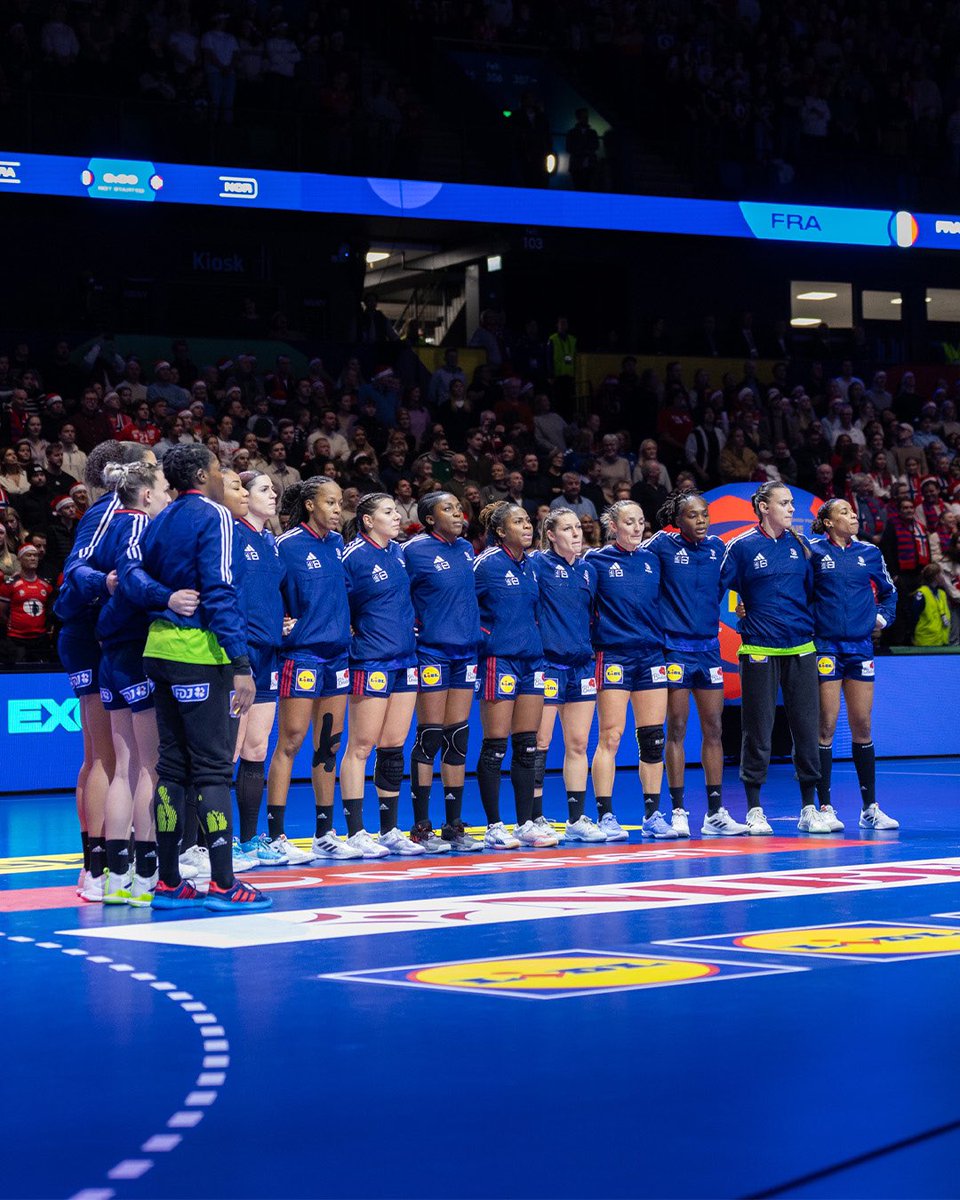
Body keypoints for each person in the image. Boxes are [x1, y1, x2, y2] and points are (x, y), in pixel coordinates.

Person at [134, 444, 271, 910]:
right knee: (213, 770)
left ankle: (168, 882)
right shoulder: (215, 516)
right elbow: (220, 590)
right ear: (200, 474)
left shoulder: (160, 518)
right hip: (201, 654)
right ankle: (224, 884)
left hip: (158, 651)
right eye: (217, 469)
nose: (222, 475)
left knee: (171, 769)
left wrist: (162, 597)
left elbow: (135, 575)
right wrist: (240, 663)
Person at [53, 441, 157, 901]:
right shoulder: (110, 510)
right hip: (94, 634)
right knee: (107, 758)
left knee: (107, 756)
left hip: (96, 633)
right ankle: (97, 868)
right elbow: (75, 571)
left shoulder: (122, 512)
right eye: (153, 467)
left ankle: (103, 864)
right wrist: (107, 583)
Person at [719, 482, 827, 834]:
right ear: (764, 507)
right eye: (784, 503)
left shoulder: (801, 546)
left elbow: (812, 592)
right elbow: (719, 587)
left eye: (792, 502)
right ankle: (754, 809)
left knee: (806, 730)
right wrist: (742, 608)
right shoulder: (741, 547)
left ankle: (810, 808)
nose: (791, 508)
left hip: (801, 648)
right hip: (759, 649)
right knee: (758, 730)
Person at [92, 462, 172, 905]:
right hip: (137, 651)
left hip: (109, 655)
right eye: (162, 489)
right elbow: (137, 588)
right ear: (144, 496)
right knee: (150, 766)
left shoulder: (105, 526)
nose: (166, 495)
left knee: (124, 766)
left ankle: (116, 876)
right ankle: (145, 875)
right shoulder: (141, 528)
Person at [267, 479, 360, 861]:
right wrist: (280, 625)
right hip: (301, 657)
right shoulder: (286, 546)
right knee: (289, 743)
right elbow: (265, 593)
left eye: (340, 502)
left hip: (338, 657)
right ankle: (276, 836)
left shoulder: (339, 546)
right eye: (331, 502)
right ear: (309, 505)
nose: (339, 509)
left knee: (328, 747)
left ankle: (325, 833)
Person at [647, 491, 749, 837]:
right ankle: (677, 810)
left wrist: (746, 605)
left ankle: (715, 812)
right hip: (673, 649)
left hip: (708, 650)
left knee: (714, 729)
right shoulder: (661, 545)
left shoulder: (717, 549)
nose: (701, 521)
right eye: (692, 515)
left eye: (704, 514)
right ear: (678, 520)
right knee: (675, 729)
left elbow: (739, 581)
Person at [339, 493, 423, 856]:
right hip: (370, 662)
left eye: (397, 511)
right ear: (368, 520)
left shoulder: (398, 553)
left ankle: (389, 830)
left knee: (393, 746)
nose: (397, 516)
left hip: (406, 660)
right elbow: (337, 606)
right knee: (361, 747)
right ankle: (356, 831)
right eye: (388, 512)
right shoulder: (352, 556)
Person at [809, 498, 899, 832]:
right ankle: (824, 807)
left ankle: (869, 808)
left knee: (862, 725)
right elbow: (798, 593)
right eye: (844, 512)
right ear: (829, 522)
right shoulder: (814, 553)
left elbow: (890, 593)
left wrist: (880, 618)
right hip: (825, 648)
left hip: (860, 647)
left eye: (853, 511)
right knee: (827, 726)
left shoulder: (871, 553)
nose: (853, 515)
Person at [224, 470, 298, 864]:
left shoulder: (270, 541)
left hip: (270, 652)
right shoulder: (231, 534)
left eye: (275, 489)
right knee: (229, 751)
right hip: (240, 654)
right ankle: (213, 842)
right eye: (264, 489)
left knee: (255, 748)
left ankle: (250, 840)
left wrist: (282, 621)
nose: (274, 495)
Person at [402, 492, 483, 852]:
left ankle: (454, 826)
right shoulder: (413, 551)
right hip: (432, 653)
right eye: (447, 508)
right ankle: (421, 827)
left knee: (457, 738)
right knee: (430, 736)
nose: (457, 513)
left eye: (457, 507)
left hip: (465, 653)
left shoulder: (466, 548)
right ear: (430, 518)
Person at [586, 501, 672, 839]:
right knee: (611, 735)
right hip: (613, 657)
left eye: (640, 522)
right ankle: (605, 815)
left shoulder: (652, 561)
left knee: (653, 740)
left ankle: (653, 815)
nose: (636, 528)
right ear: (613, 526)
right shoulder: (596, 561)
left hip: (650, 656)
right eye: (629, 522)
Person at [473, 501, 550, 848]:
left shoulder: (532, 566)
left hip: (532, 662)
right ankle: (494, 826)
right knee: (495, 746)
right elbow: (465, 607)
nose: (527, 526)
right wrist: (486, 639)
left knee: (527, 745)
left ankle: (525, 823)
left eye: (528, 520)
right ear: (501, 531)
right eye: (518, 522)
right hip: (498, 662)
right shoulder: (486, 565)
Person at [533, 508, 608, 841]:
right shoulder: (537, 566)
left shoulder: (589, 571)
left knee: (578, 744)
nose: (577, 533)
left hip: (581, 666)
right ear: (551, 534)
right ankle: (533, 818)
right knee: (540, 743)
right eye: (567, 528)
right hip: (548, 665)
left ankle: (576, 819)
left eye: (578, 527)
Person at [0, 544, 53, 663]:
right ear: (20, 559)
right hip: (16, 640)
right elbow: (1, 614)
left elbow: (49, 612)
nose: (33, 558)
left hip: (40, 639)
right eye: (29, 555)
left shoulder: (46, 585)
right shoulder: (10, 585)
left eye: (35, 555)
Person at [911, 562, 951, 647]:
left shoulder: (942, 593)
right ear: (935, 576)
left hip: (941, 640)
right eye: (941, 574)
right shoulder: (922, 594)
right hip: (926, 641)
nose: (943, 577)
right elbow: (913, 617)